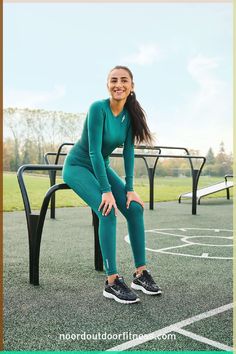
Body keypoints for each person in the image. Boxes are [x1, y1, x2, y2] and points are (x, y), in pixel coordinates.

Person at [62, 65, 162, 304]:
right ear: (108, 85)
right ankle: (111, 281)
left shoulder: (129, 115)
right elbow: (95, 152)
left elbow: (129, 152)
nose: (119, 84)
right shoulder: (98, 108)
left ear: (131, 86)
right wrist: (106, 191)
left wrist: (129, 189)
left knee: (135, 209)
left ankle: (140, 273)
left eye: (124, 80)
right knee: (107, 212)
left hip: (101, 167)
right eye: (114, 80)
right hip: (78, 166)